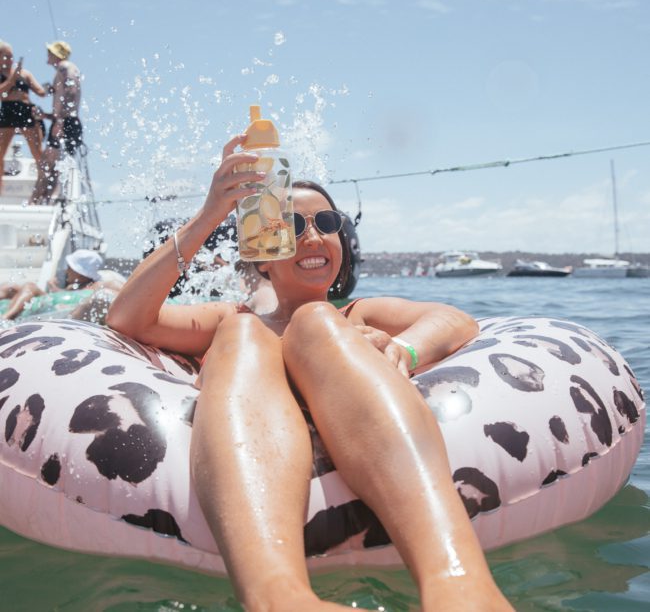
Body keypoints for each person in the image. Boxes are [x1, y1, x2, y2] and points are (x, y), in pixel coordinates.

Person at [106, 134, 513, 612]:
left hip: (348, 383)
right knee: (244, 333)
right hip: (251, 408)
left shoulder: (356, 315)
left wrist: (404, 348)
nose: (314, 236)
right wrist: (211, 214)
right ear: (260, 250)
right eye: (292, 225)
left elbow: (455, 320)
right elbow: (128, 318)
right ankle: (280, 598)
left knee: (316, 322)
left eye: (327, 222)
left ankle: (459, 588)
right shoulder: (233, 320)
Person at [0, 249, 121, 321]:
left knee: (30, 286)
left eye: (70, 268)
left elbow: (118, 288)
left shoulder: (98, 286)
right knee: (10, 287)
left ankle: (5, 319)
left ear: (80, 273)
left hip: (54, 312)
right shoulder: (73, 288)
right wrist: (54, 288)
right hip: (45, 305)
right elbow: (65, 296)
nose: (66, 271)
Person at [30, 40, 83, 205]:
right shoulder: (62, 70)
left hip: (65, 123)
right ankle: (43, 201)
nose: (47, 55)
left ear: (56, 54)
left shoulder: (65, 67)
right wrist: (46, 116)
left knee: (48, 164)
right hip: (66, 122)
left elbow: (71, 93)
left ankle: (37, 202)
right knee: (53, 166)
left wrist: (59, 122)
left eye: (50, 52)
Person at [0, 40, 47, 194]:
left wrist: (50, 88)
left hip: (26, 111)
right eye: (6, 56)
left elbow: (40, 91)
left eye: (11, 56)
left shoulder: (25, 73)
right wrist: (12, 79)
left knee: (37, 151)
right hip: (7, 111)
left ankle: (44, 185)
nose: (9, 59)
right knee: (1, 152)